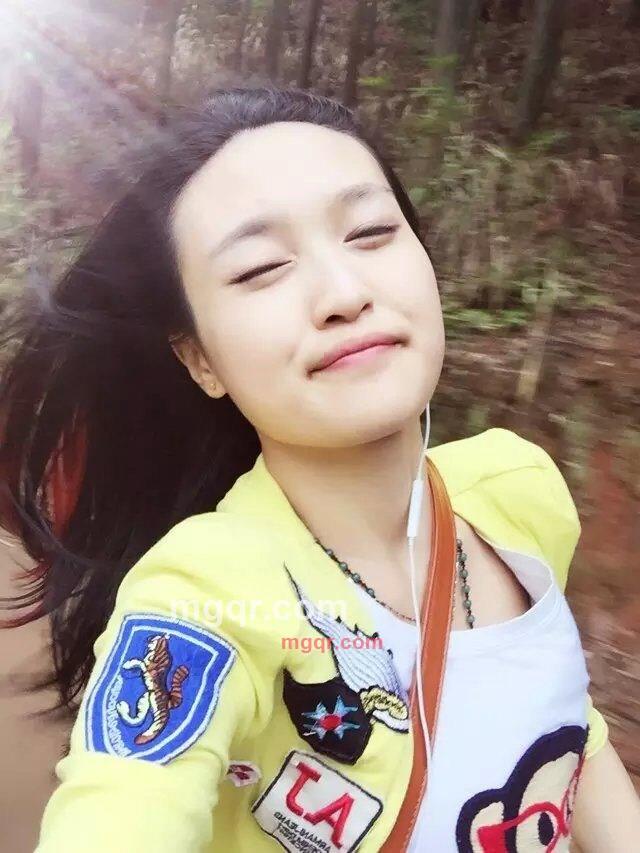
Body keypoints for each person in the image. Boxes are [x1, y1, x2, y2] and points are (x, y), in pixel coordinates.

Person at [1, 86, 638, 853]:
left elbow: (571, 725)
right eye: (261, 268)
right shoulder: (202, 591)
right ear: (199, 358)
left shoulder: (518, 488)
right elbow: (123, 810)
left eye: (371, 232)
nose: (344, 293)